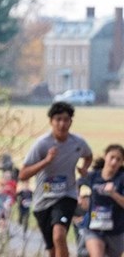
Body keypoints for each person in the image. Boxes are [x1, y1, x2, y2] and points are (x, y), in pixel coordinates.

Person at [21, 101, 94, 257]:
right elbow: (23, 175)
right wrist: (46, 161)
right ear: (51, 121)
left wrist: (84, 168)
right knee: (52, 250)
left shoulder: (77, 143)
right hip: (42, 200)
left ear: (71, 122)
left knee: (59, 235)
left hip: (66, 196)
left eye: (66, 119)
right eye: (58, 119)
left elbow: (88, 155)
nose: (62, 124)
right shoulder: (42, 144)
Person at [83, 145, 124, 257]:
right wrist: (80, 198)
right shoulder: (93, 176)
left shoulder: (121, 179)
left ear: (121, 163)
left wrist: (113, 194)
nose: (114, 161)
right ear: (106, 156)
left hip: (116, 231)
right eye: (112, 157)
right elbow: (79, 187)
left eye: (118, 159)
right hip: (93, 228)